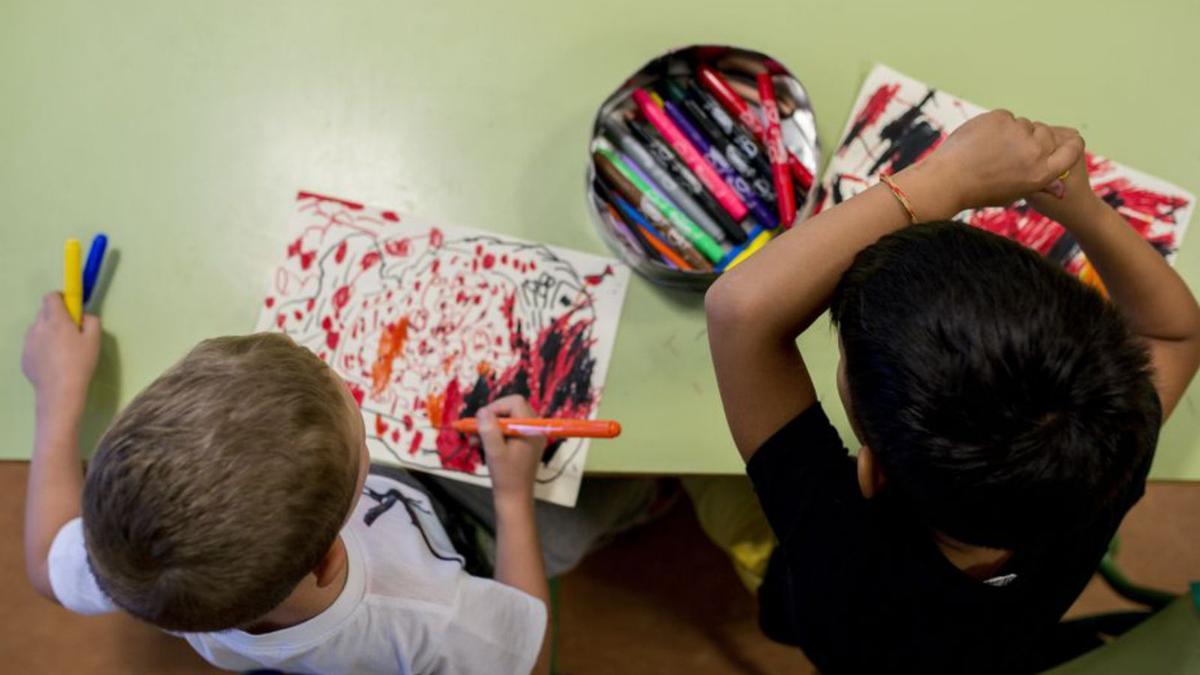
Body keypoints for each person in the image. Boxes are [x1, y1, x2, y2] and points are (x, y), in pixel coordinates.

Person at [703, 110, 1200, 672]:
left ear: (871, 472)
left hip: (819, 617)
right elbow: (1174, 332)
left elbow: (740, 312)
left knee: (717, 502)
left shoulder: (838, 542)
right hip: (987, 645)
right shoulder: (1103, 451)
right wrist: (1082, 207)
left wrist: (946, 181)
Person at [21, 323, 655, 674]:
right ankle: (646, 506)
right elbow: (529, 654)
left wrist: (58, 394)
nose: (351, 384)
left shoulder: (130, 556)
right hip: (471, 542)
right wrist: (514, 498)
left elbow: (47, 564)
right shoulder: (424, 615)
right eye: (355, 417)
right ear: (330, 558)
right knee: (604, 502)